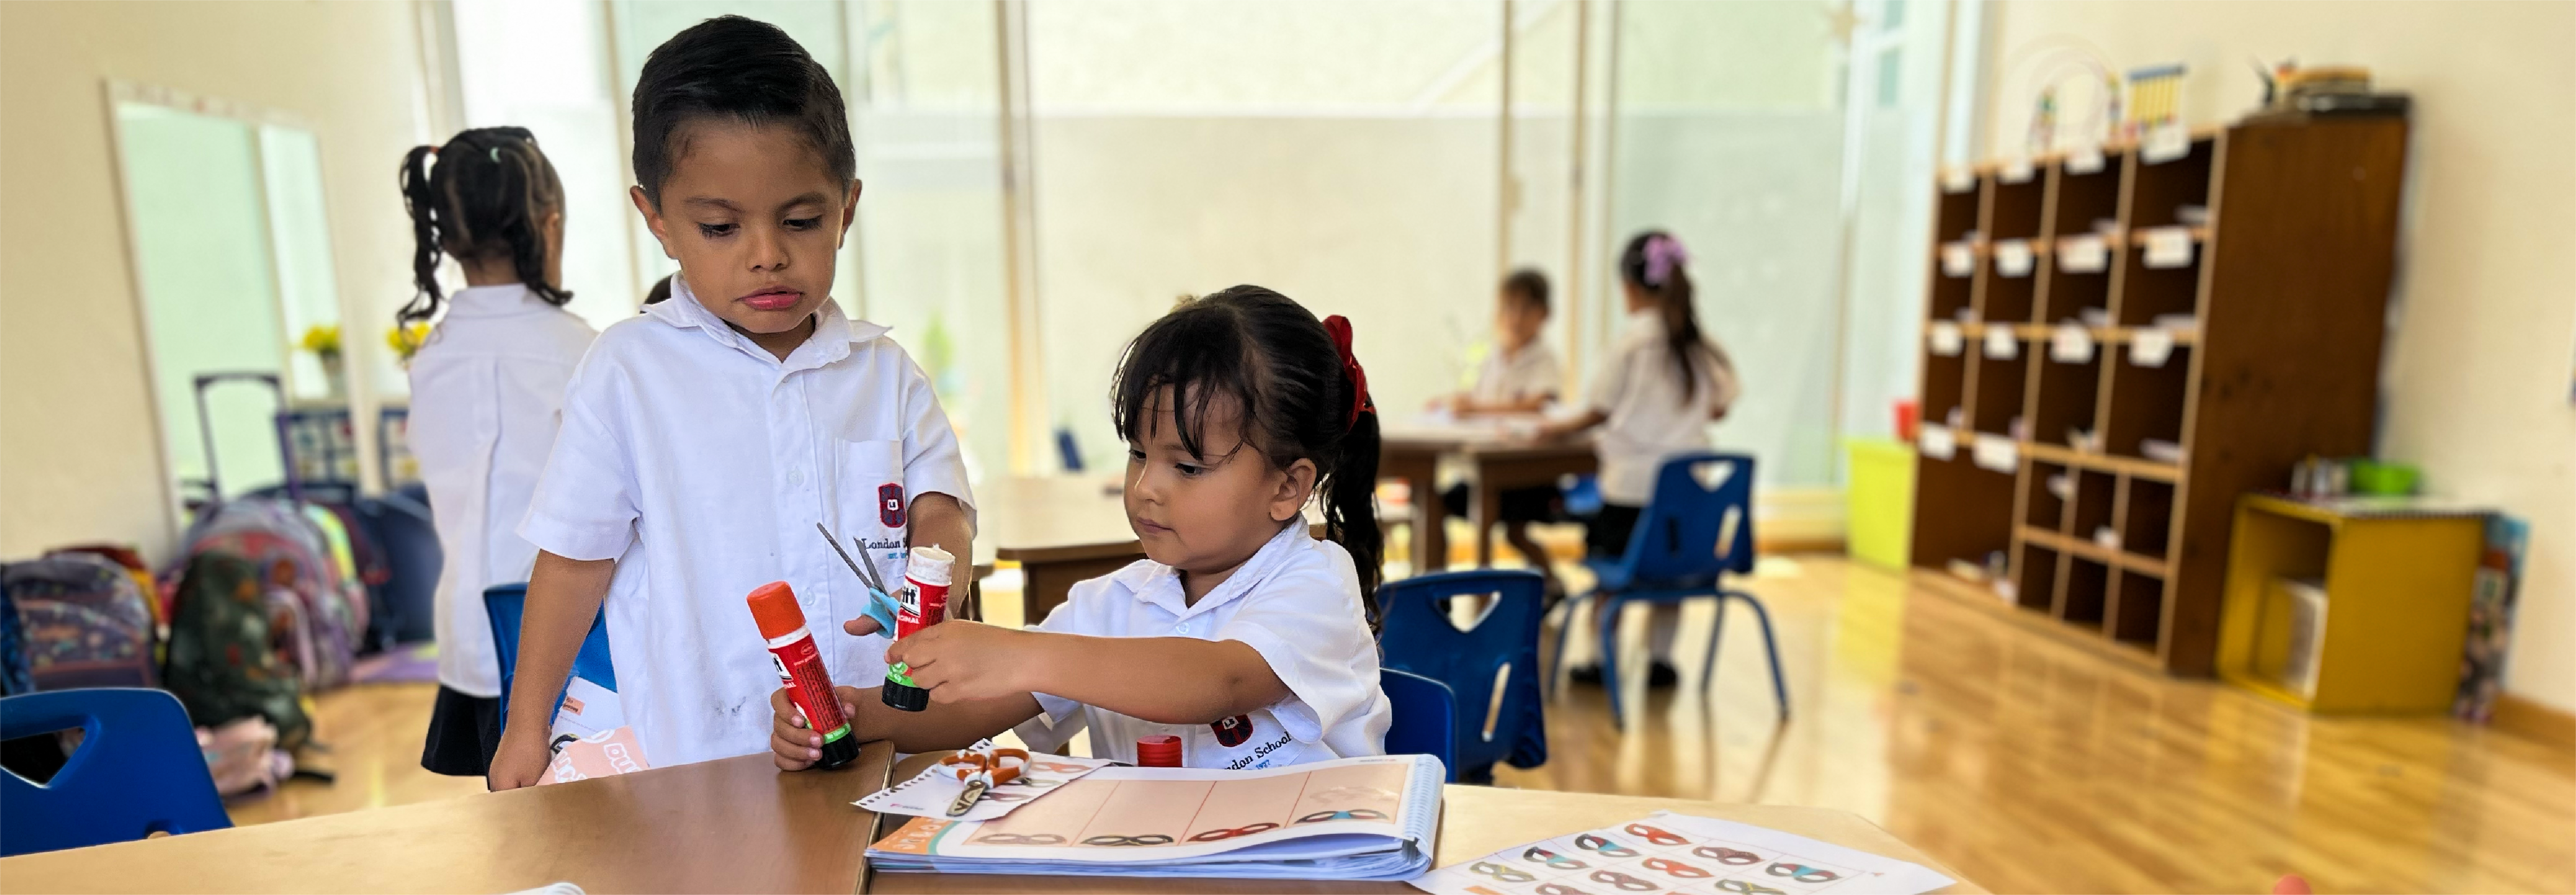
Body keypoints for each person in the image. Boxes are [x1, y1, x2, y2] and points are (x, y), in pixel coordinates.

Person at [487, 15, 974, 789]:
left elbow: (942, 508)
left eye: (801, 220)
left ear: (846, 209)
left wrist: (932, 592)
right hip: (703, 758)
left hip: (884, 743)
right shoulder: (629, 372)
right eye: (719, 226)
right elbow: (573, 562)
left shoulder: (883, 372)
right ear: (657, 220)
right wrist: (524, 728)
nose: (766, 254)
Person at [770, 286, 1392, 771]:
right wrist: (845, 713)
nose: (1147, 486)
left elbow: (1218, 680)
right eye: (1138, 454)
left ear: (1288, 487)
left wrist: (1017, 653)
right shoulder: (1114, 602)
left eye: (1188, 466)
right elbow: (974, 713)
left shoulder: (1316, 585)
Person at [398, 126, 597, 778]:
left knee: (509, 822)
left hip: (466, 631)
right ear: (550, 226)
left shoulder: (433, 356)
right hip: (565, 639)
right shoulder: (581, 352)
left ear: (447, 240)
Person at [1537, 230, 1737, 685]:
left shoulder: (1631, 345)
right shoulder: (1699, 344)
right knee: (1670, 575)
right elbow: (1721, 405)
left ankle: (1600, 660)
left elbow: (1597, 410)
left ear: (1629, 286)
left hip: (1629, 499)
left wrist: (1551, 427)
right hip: (1688, 504)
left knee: (1613, 577)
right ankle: (1660, 662)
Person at [1437, 268, 1565, 593]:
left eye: (1526, 309)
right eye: (1509, 308)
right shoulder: (1496, 357)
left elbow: (1538, 405)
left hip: (1525, 473)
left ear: (1544, 315)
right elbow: (1482, 401)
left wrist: (1477, 409)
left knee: (1513, 531)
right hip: (1485, 467)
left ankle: (1548, 583)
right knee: (1438, 505)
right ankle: (1437, 593)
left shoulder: (1544, 359)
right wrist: (1454, 402)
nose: (1516, 318)